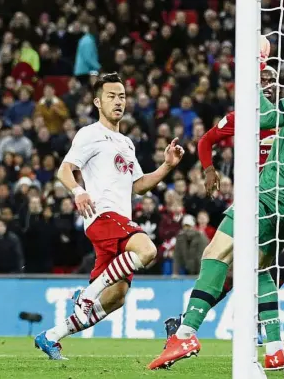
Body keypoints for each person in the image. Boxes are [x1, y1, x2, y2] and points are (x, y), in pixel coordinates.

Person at [150, 36, 284, 370]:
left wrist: (252, 74)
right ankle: (275, 348)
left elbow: (266, 118)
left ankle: (185, 332)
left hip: (272, 192)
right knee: (259, 268)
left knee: (215, 253)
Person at [34, 73, 184, 360]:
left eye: (122, 96)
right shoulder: (89, 133)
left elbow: (138, 186)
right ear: (97, 102)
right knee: (147, 250)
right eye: (112, 96)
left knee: (115, 298)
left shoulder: (127, 143)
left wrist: (166, 166)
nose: (118, 101)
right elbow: (64, 170)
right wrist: (78, 191)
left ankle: (51, 336)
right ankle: (87, 294)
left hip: (118, 223)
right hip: (102, 216)